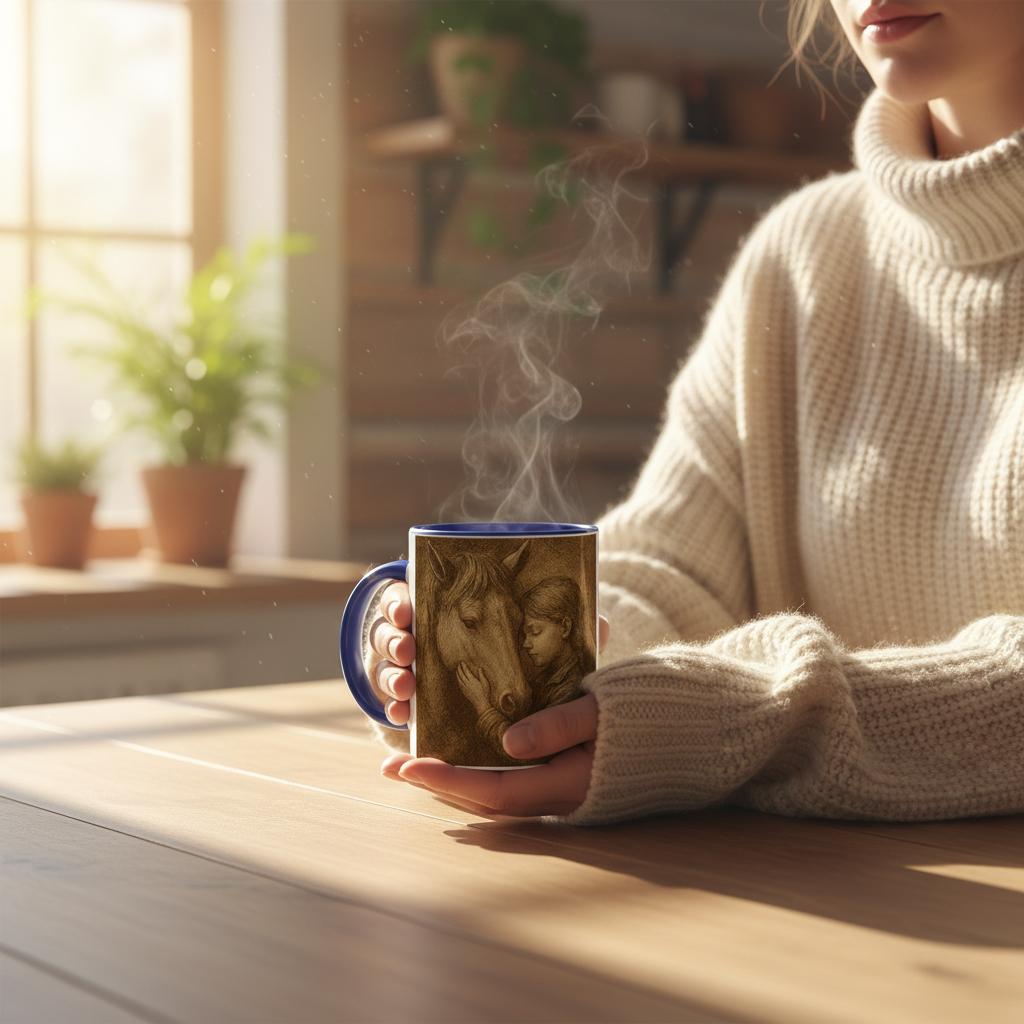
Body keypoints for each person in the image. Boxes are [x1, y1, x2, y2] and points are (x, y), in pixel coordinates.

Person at [364, 0, 1024, 825]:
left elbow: (734, 719)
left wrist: (742, 725)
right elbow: (678, 569)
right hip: (799, 889)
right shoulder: (802, 254)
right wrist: (544, 651)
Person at [520, 577, 590, 709]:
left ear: (565, 628)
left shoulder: (572, 688)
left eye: (535, 632)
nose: (525, 644)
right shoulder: (542, 681)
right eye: (524, 635)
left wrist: (486, 710)